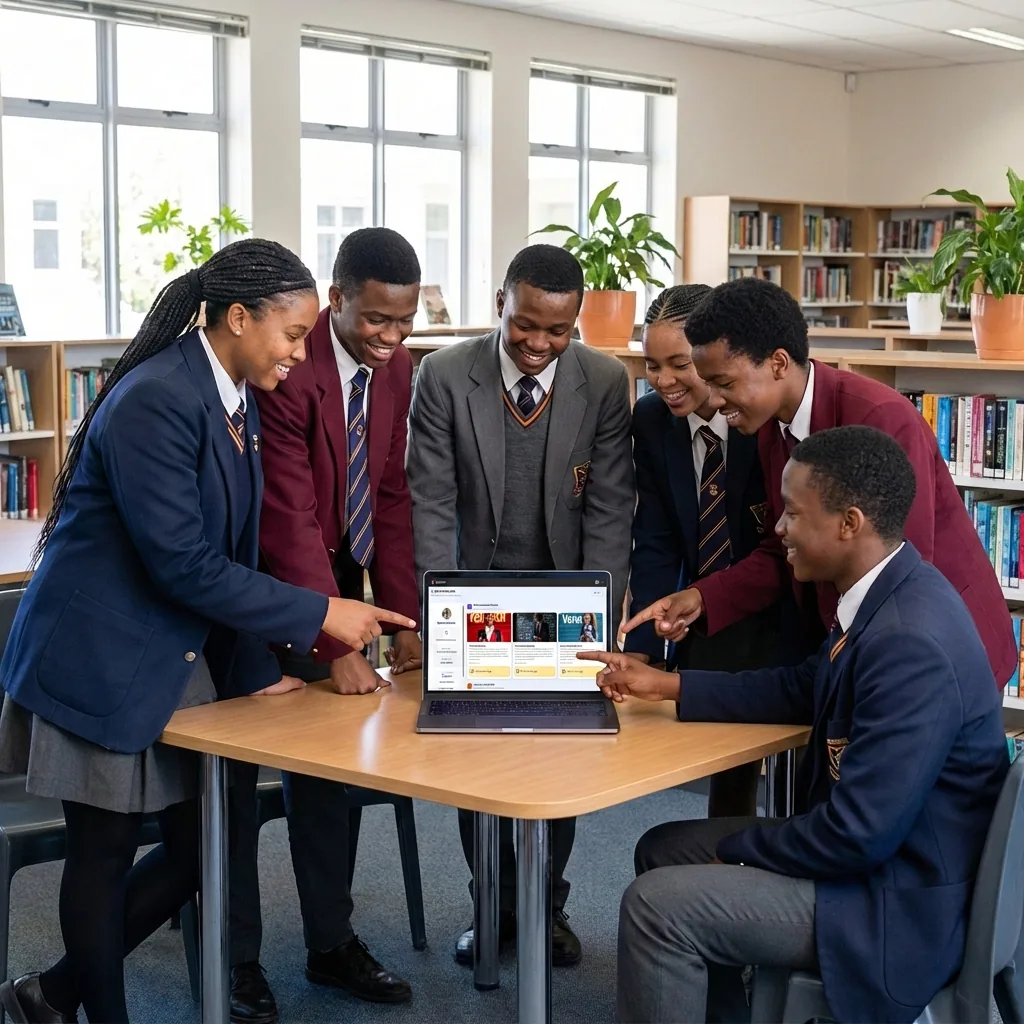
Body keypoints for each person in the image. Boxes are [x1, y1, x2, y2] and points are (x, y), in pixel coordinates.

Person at [0, 240, 415, 1024]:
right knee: (103, 854)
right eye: (292, 334)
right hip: (97, 655)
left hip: (169, 650)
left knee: (203, 851)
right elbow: (184, 564)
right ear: (239, 318)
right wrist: (320, 613)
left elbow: (235, 547)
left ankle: (49, 996)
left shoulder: (235, 397)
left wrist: (255, 667)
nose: (301, 353)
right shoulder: (157, 398)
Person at [583, 425, 1009, 1024]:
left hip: (891, 903)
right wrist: (668, 684)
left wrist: (737, 850)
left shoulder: (909, 643)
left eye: (794, 514)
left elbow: (855, 836)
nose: (778, 528)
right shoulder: (891, 589)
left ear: (849, 523)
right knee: (663, 848)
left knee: (657, 907)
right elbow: (802, 686)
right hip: (881, 861)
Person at [407, 242, 634, 967]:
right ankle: (491, 905)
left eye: (558, 331)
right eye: (526, 325)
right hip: (471, 597)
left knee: (562, 756)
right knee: (473, 758)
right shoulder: (443, 375)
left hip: (566, 599)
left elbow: (609, 509)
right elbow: (431, 504)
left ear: (577, 322)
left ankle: (547, 908)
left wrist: (599, 617)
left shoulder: (606, 380)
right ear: (500, 302)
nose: (539, 343)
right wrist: (441, 617)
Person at [625, 276, 1016, 687]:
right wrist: (702, 598)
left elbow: (900, 568)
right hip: (859, 643)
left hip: (936, 648)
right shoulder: (769, 425)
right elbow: (783, 549)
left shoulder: (879, 416)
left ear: (778, 364)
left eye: (724, 384)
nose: (716, 401)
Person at [228, 228, 422, 1020]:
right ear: (337, 299)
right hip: (258, 589)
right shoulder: (289, 364)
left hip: (336, 578)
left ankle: (330, 943)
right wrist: (332, 638)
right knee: (233, 783)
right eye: (376, 319)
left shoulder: (398, 368)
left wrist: (405, 617)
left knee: (331, 772)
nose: (391, 337)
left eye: (405, 321)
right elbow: (288, 512)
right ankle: (236, 959)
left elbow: (391, 493)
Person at [626, 283, 800, 817]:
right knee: (720, 776)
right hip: (703, 612)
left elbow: (780, 545)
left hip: (780, 609)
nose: (664, 381)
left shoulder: (762, 416)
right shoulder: (652, 420)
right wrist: (645, 638)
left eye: (680, 364)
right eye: (652, 365)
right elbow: (655, 538)